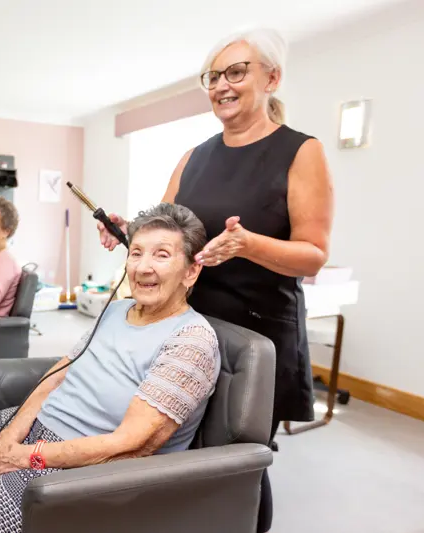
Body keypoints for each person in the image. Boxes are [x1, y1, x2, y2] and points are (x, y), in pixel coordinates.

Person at [98, 28, 333, 532]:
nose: (222, 85)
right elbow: (163, 228)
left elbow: (313, 256)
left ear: (272, 78)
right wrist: (126, 230)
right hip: (189, 329)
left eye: (236, 72)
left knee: (237, 461)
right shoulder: (194, 156)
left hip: (255, 335)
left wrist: (248, 244)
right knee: (179, 447)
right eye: (213, 76)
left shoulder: (301, 151)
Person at [0, 203, 221, 533]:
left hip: (78, 466)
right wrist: (9, 439)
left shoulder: (191, 341)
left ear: (191, 271)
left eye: (161, 255)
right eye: (136, 253)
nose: (142, 268)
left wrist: (21, 457)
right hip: (36, 431)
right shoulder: (117, 310)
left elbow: (132, 444)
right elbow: (59, 374)